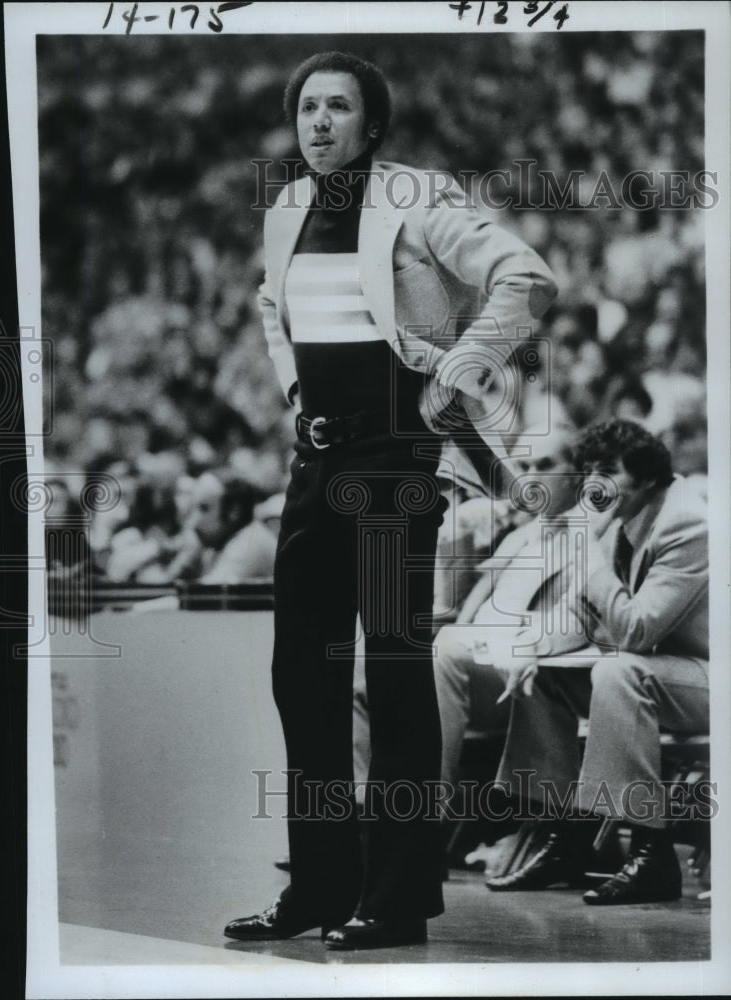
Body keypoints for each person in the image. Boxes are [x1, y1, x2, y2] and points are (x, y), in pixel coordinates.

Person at [223, 50, 557, 951]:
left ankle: (398, 897)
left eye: (339, 107)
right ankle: (321, 886)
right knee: (304, 675)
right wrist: (295, 394)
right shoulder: (287, 205)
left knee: (397, 676)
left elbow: (526, 277)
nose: (319, 122)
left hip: (395, 462)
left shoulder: (417, 198)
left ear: (373, 124)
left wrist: (461, 362)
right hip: (315, 462)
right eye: (308, 109)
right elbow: (270, 305)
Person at [484, 419, 709, 905]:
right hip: (667, 673)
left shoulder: (688, 524)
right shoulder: (621, 518)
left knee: (617, 670)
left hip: (710, 678)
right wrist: (531, 648)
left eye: (607, 470)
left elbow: (634, 631)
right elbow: (579, 615)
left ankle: (652, 853)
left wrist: (586, 555)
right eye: (587, 471)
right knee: (543, 674)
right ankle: (566, 837)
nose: (593, 484)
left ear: (647, 475)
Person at [432, 424, 582, 796]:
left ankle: (425, 821)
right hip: (483, 664)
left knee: (448, 648)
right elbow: (461, 611)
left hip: (538, 678)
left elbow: (580, 622)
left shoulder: (592, 535)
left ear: (578, 474)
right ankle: (358, 823)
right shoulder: (517, 535)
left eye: (543, 465)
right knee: (362, 665)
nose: (530, 478)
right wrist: (461, 527)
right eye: (523, 467)